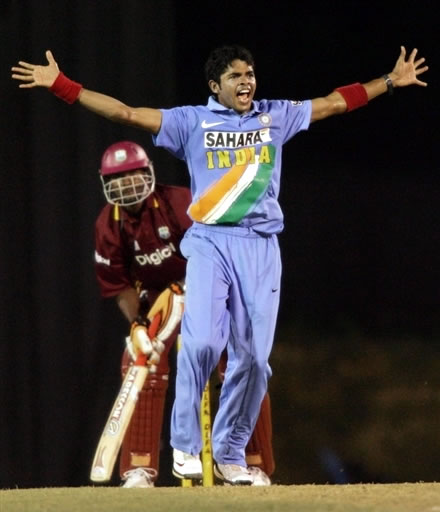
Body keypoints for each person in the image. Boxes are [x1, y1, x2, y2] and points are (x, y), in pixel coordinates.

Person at [12, 44, 428, 485]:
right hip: (210, 241)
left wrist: (387, 81)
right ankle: (185, 447)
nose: (246, 81)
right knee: (204, 344)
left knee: (253, 361)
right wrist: (62, 85)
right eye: (235, 76)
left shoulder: (275, 115)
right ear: (216, 86)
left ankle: (231, 453)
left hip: (262, 247)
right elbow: (126, 114)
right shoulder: (191, 121)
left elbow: (334, 102)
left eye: (250, 73)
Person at [93, 139, 274, 487]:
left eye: (133, 177)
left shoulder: (179, 202)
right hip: (157, 299)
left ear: (149, 174)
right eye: (118, 181)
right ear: (105, 185)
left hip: (212, 286)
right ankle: (138, 469)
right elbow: (120, 286)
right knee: (139, 357)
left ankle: (248, 463)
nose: (127, 187)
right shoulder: (108, 224)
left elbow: (219, 249)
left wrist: (193, 286)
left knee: (242, 359)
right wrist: (138, 324)